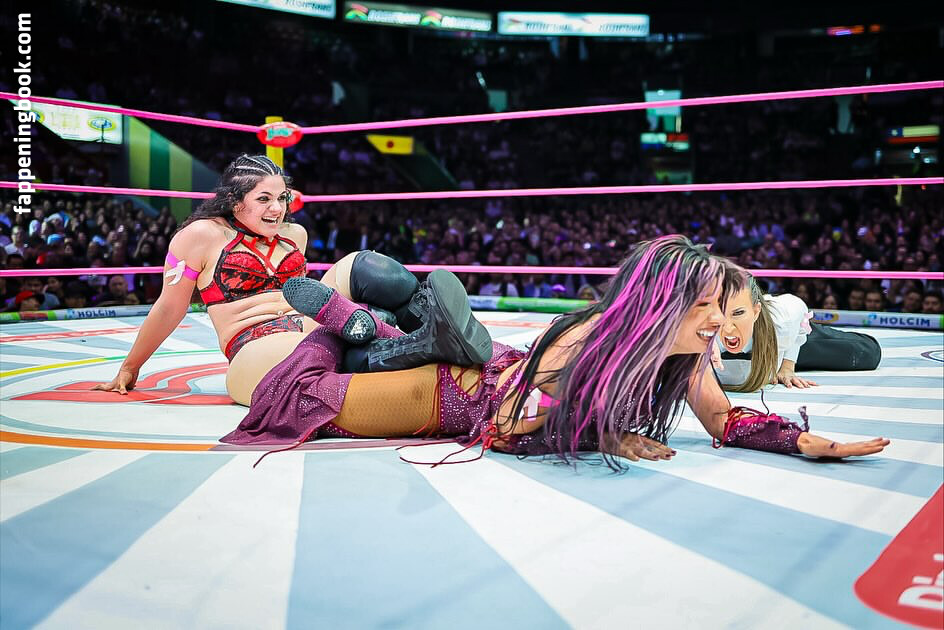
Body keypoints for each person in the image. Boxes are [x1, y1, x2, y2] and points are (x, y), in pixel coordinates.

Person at [223, 235, 888, 465]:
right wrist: (607, 435)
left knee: (377, 347)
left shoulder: (684, 354)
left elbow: (725, 420)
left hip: (487, 366)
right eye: (707, 306)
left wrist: (800, 441)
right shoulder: (587, 338)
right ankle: (347, 320)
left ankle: (384, 327)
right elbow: (506, 424)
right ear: (663, 306)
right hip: (454, 396)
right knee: (292, 396)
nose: (718, 321)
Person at [94, 154, 490, 404]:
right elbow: (169, 307)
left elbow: (307, 295)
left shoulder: (294, 235)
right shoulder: (200, 236)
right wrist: (131, 367)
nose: (277, 208)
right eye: (264, 199)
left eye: (282, 198)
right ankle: (420, 344)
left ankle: (428, 321)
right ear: (235, 202)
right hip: (255, 342)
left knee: (364, 266)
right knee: (329, 349)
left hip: (309, 320)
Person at [717, 267, 881, 391]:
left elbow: (798, 306)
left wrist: (788, 366)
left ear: (755, 311)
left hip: (789, 341)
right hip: (760, 354)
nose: (728, 327)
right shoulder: (706, 329)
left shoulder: (782, 322)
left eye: (737, 313)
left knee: (868, 353)